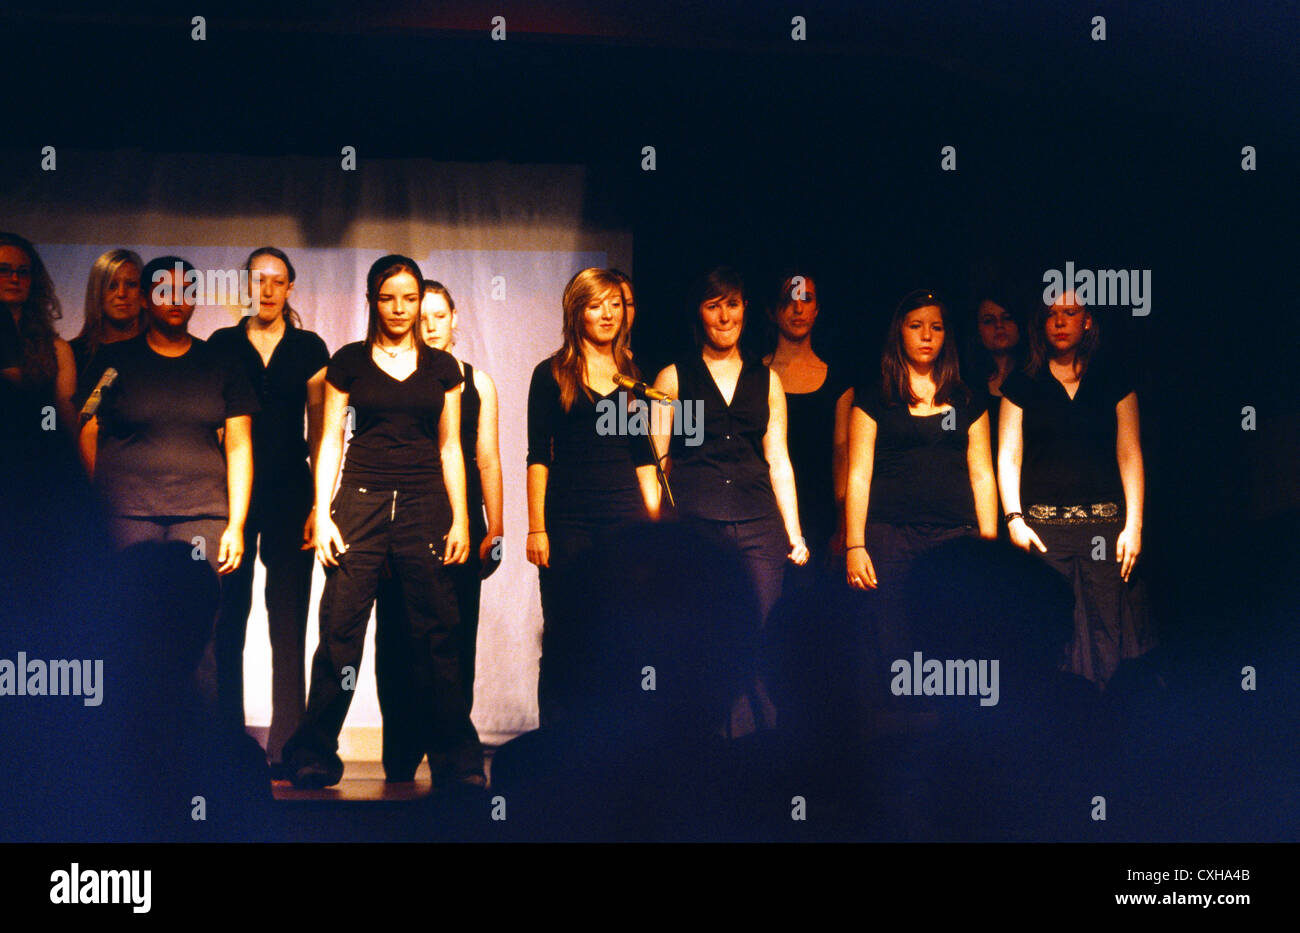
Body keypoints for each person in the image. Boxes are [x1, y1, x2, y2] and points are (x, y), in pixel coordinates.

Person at [282, 254, 481, 789]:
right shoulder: (348, 361)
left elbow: (451, 449)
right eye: (389, 297)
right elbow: (329, 441)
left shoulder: (444, 369)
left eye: (410, 298)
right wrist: (321, 512)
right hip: (360, 503)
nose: (400, 308)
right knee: (339, 633)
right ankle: (314, 752)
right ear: (373, 300)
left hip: (425, 507)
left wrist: (461, 518)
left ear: (420, 302)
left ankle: (456, 757)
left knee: (437, 633)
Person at [77, 254, 258, 719]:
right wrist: (97, 502)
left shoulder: (221, 362)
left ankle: (196, 752)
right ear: (146, 298)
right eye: (164, 290)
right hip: (126, 514)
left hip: (202, 514)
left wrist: (236, 523)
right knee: (125, 625)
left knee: (199, 631)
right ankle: (121, 749)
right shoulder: (114, 361)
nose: (175, 301)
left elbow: (238, 444)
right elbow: (86, 424)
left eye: (185, 291)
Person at [652, 265, 808, 736]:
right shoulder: (674, 377)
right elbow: (658, 463)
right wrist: (659, 535)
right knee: (705, 642)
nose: (725, 316)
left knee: (761, 639)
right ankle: (708, 758)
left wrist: (794, 533)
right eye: (713, 305)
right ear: (698, 313)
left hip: (760, 526)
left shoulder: (767, 381)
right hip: (698, 527)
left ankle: (762, 758)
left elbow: (778, 458)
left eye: (733, 304)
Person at [374, 280, 504, 780]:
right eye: (421, 315)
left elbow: (486, 459)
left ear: (455, 320)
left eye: (438, 315)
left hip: (460, 523)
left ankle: (452, 748)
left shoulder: (477, 383)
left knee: (453, 636)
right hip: (397, 521)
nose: (428, 324)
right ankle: (402, 751)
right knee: (397, 639)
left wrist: (497, 526)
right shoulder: (390, 379)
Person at [207, 247, 329, 774]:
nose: (267, 289)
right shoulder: (221, 343)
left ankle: (288, 747)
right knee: (226, 618)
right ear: (246, 286)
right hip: (230, 491)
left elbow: (324, 424)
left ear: (291, 288)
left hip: (290, 492)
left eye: (277, 281)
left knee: (289, 621)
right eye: (258, 280)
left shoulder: (308, 346)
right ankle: (224, 741)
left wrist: (319, 505)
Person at [844, 290, 998, 705]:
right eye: (916, 326)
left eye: (936, 327)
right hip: (891, 537)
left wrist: (988, 548)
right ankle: (896, 740)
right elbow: (859, 473)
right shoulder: (877, 397)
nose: (927, 335)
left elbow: (983, 474)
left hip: (956, 538)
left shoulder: (966, 399)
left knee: (954, 645)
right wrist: (854, 544)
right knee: (893, 646)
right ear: (900, 332)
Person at [997, 289, 1153, 687]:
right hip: (1045, 532)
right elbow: (1008, 455)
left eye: (1070, 313)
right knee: (1056, 636)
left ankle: (1115, 732)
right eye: (1052, 314)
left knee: (1109, 637)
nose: (1060, 321)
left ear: (1087, 322)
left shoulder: (1112, 380)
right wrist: (1014, 519)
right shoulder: (1023, 382)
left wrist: (1133, 526)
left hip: (1106, 530)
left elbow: (1130, 454)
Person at [526, 267, 661, 726]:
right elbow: (537, 455)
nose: (607, 314)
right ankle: (559, 743)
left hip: (625, 519)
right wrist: (537, 527)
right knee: (566, 633)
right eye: (595, 304)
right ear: (576, 311)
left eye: (615, 304)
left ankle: (615, 742)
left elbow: (644, 458)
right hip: (568, 522)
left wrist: (656, 528)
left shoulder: (631, 377)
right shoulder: (550, 374)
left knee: (624, 632)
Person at [762, 271, 854, 576]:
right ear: (773, 311)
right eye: (789, 300)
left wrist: (843, 525)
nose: (798, 309)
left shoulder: (837, 379)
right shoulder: (754, 376)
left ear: (817, 310)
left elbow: (842, 454)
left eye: (806, 299)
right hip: (764, 509)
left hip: (820, 514)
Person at [0, 232, 76, 442]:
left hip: (36, 455)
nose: (14, 279)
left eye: (23, 272)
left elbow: (60, 419)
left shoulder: (56, 349)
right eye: (4, 270)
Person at [963, 287, 1026, 477]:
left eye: (1007, 318)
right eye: (989, 321)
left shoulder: (1036, 379)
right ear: (978, 330)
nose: (999, 326)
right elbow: (948, 430)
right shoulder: (965, 385)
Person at [70, 248, 145, 387]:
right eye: (111, 286)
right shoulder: (72, 355)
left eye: (131, 284)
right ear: (96, 292)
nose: (122, 293)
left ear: (143, 292)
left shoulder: (163, 351)